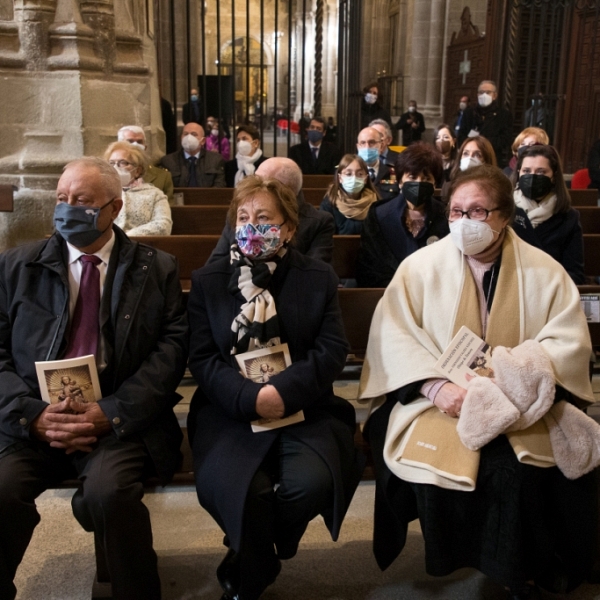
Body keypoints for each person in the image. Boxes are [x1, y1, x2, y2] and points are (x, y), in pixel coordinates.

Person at [359, 163, 598, 600]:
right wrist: (436, 388)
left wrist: (517, 378)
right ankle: (457, 558)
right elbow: (392, 336)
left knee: (517, 469)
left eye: (477, 212)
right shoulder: (418, 268)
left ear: (505, 216)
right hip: (437, 399)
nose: (464, 222)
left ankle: (516, 571)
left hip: (522, 402)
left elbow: (567, 342)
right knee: (459, 461)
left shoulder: (545, 271)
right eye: (455, 212)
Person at [0, 157, 188, 600]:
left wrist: (110, 413)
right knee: (1, 490)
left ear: (115, 208)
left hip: (116, 420)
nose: (67, 209)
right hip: (35, 419)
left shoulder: (155, 268)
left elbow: (170, 352)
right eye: (61, 199)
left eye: (82, 201)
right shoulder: (16, 267)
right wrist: (33, 415)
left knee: (110, 494)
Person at [187, 175, 364, 600]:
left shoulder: (316, 276)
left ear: (287, 227)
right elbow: (203, 357)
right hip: (229, 408)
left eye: (263, 217)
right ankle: (255, 562)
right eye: (243, 218)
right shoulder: (210, 279)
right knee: (245, 489)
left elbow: (331, 349)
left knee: (311, 483)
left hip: (304, 405)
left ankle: (258, 545)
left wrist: (282, 393)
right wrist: (251, 398)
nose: (251, 226)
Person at [209, 157, 335, 264]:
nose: (253, 186)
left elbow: (315, 274)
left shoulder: (318, 221)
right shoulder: (241, 215)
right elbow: (215, 265)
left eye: (260, 182)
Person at [356, 142, 449, 288]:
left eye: (426, 179)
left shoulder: (445, 216)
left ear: (434, 183)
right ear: (400, 181)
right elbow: (370, 266)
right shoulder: (379, 215)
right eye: (412, 177)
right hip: (388, 293)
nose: (418, 183)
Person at [511, 144, 585, 284]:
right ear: (519, 173)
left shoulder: (569, 217)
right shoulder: (505, 211)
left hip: (551, 290)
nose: (532, 177)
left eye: (541, 172)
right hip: (513, 288)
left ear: (553, 176)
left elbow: (575, 273)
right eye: (526, 171)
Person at [446, 136, 538, 247]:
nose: (469, 159)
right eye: (465, 154)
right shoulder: (448, 194)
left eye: (478, 210)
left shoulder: (514, 212)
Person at [104, 142, 172, 236]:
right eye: (111, 163)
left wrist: (127, 237)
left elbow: (163, 225)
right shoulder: (101, 192)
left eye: (123, 163)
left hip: (141, 245)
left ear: (137, 170)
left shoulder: (155, 194)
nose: (115, 167)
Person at [458, 80, 514, 168]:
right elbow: (461, 136)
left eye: (488, 92)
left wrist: (483, 144)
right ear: (477, 95)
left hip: (492, 159)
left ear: (494, 95)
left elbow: (505, 139)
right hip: (470, 160)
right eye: (481, 92)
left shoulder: (504, 115)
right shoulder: (469, 113)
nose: (484, 95)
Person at [319, 153, 379, 235]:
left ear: (366, 178)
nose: (354, 178)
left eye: (360, 174)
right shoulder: (329, 204)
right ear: (340, 178)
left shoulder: (375, 202)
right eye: (348, 174)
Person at [117, 125, 174, 202]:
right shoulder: (109, 175)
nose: (135, 145)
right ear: (118, 147)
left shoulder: (163, 177)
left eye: (139, 142)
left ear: (145, 147)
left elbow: (168, 208)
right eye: (130, 141)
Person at [160, 122, 226, 188]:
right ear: (181, 138)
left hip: (206, 197)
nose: (189, 138)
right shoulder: (168, 161)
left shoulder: (215, 160)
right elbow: (165, 188)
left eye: (194, 134)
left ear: (203, 141)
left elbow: (219, 186)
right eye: (185, 134)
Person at [370, 119, 400, 200]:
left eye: (379, 135)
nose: (375, 139)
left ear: (389, 140)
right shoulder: (359, 160)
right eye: (372, 134)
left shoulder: (400, 160)